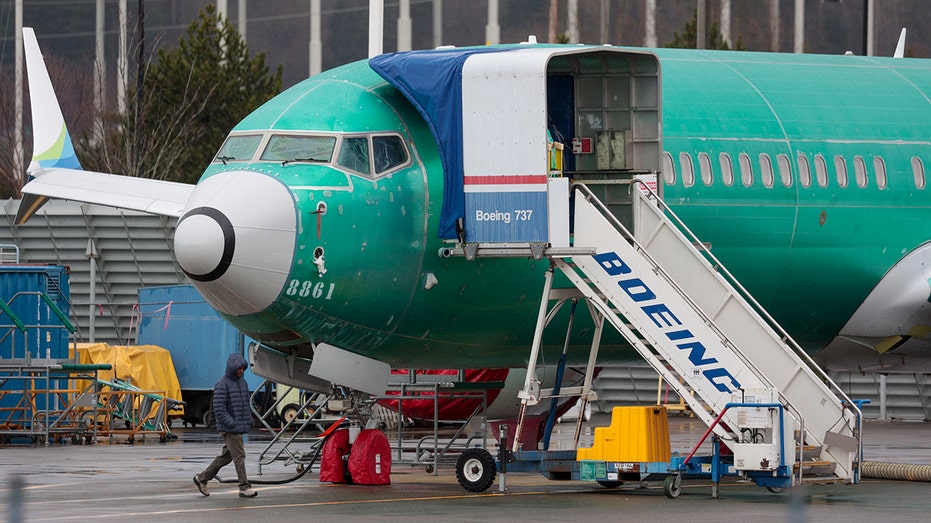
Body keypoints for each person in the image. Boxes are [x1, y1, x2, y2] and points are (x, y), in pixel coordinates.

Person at [193, 353, 257, 498]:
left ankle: (201, 478)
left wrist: (248, 420)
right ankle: (244, 487)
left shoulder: (242, 382)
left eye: (242, 368)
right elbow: (219, 408)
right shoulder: (222, 384)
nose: (241, 371)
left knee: (226, 457)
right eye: (239, 369)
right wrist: (231, 424)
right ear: (232, 368)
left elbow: (245, 404)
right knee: (239, 456)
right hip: (231, 428)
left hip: (237, 426)